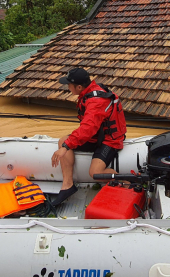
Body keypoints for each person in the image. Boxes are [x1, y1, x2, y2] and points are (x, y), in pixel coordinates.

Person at [50, 68, 127, 206]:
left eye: (69, 85)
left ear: (79, 87)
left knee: (96, 172)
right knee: (63, 141)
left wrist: (66, 147)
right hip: (97, 135)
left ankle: (128, 184)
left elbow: (87, 129)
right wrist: (66, 144)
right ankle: (68, 185)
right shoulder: (88, 93)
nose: (68, 87)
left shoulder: (96, 101)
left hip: (110, 140)